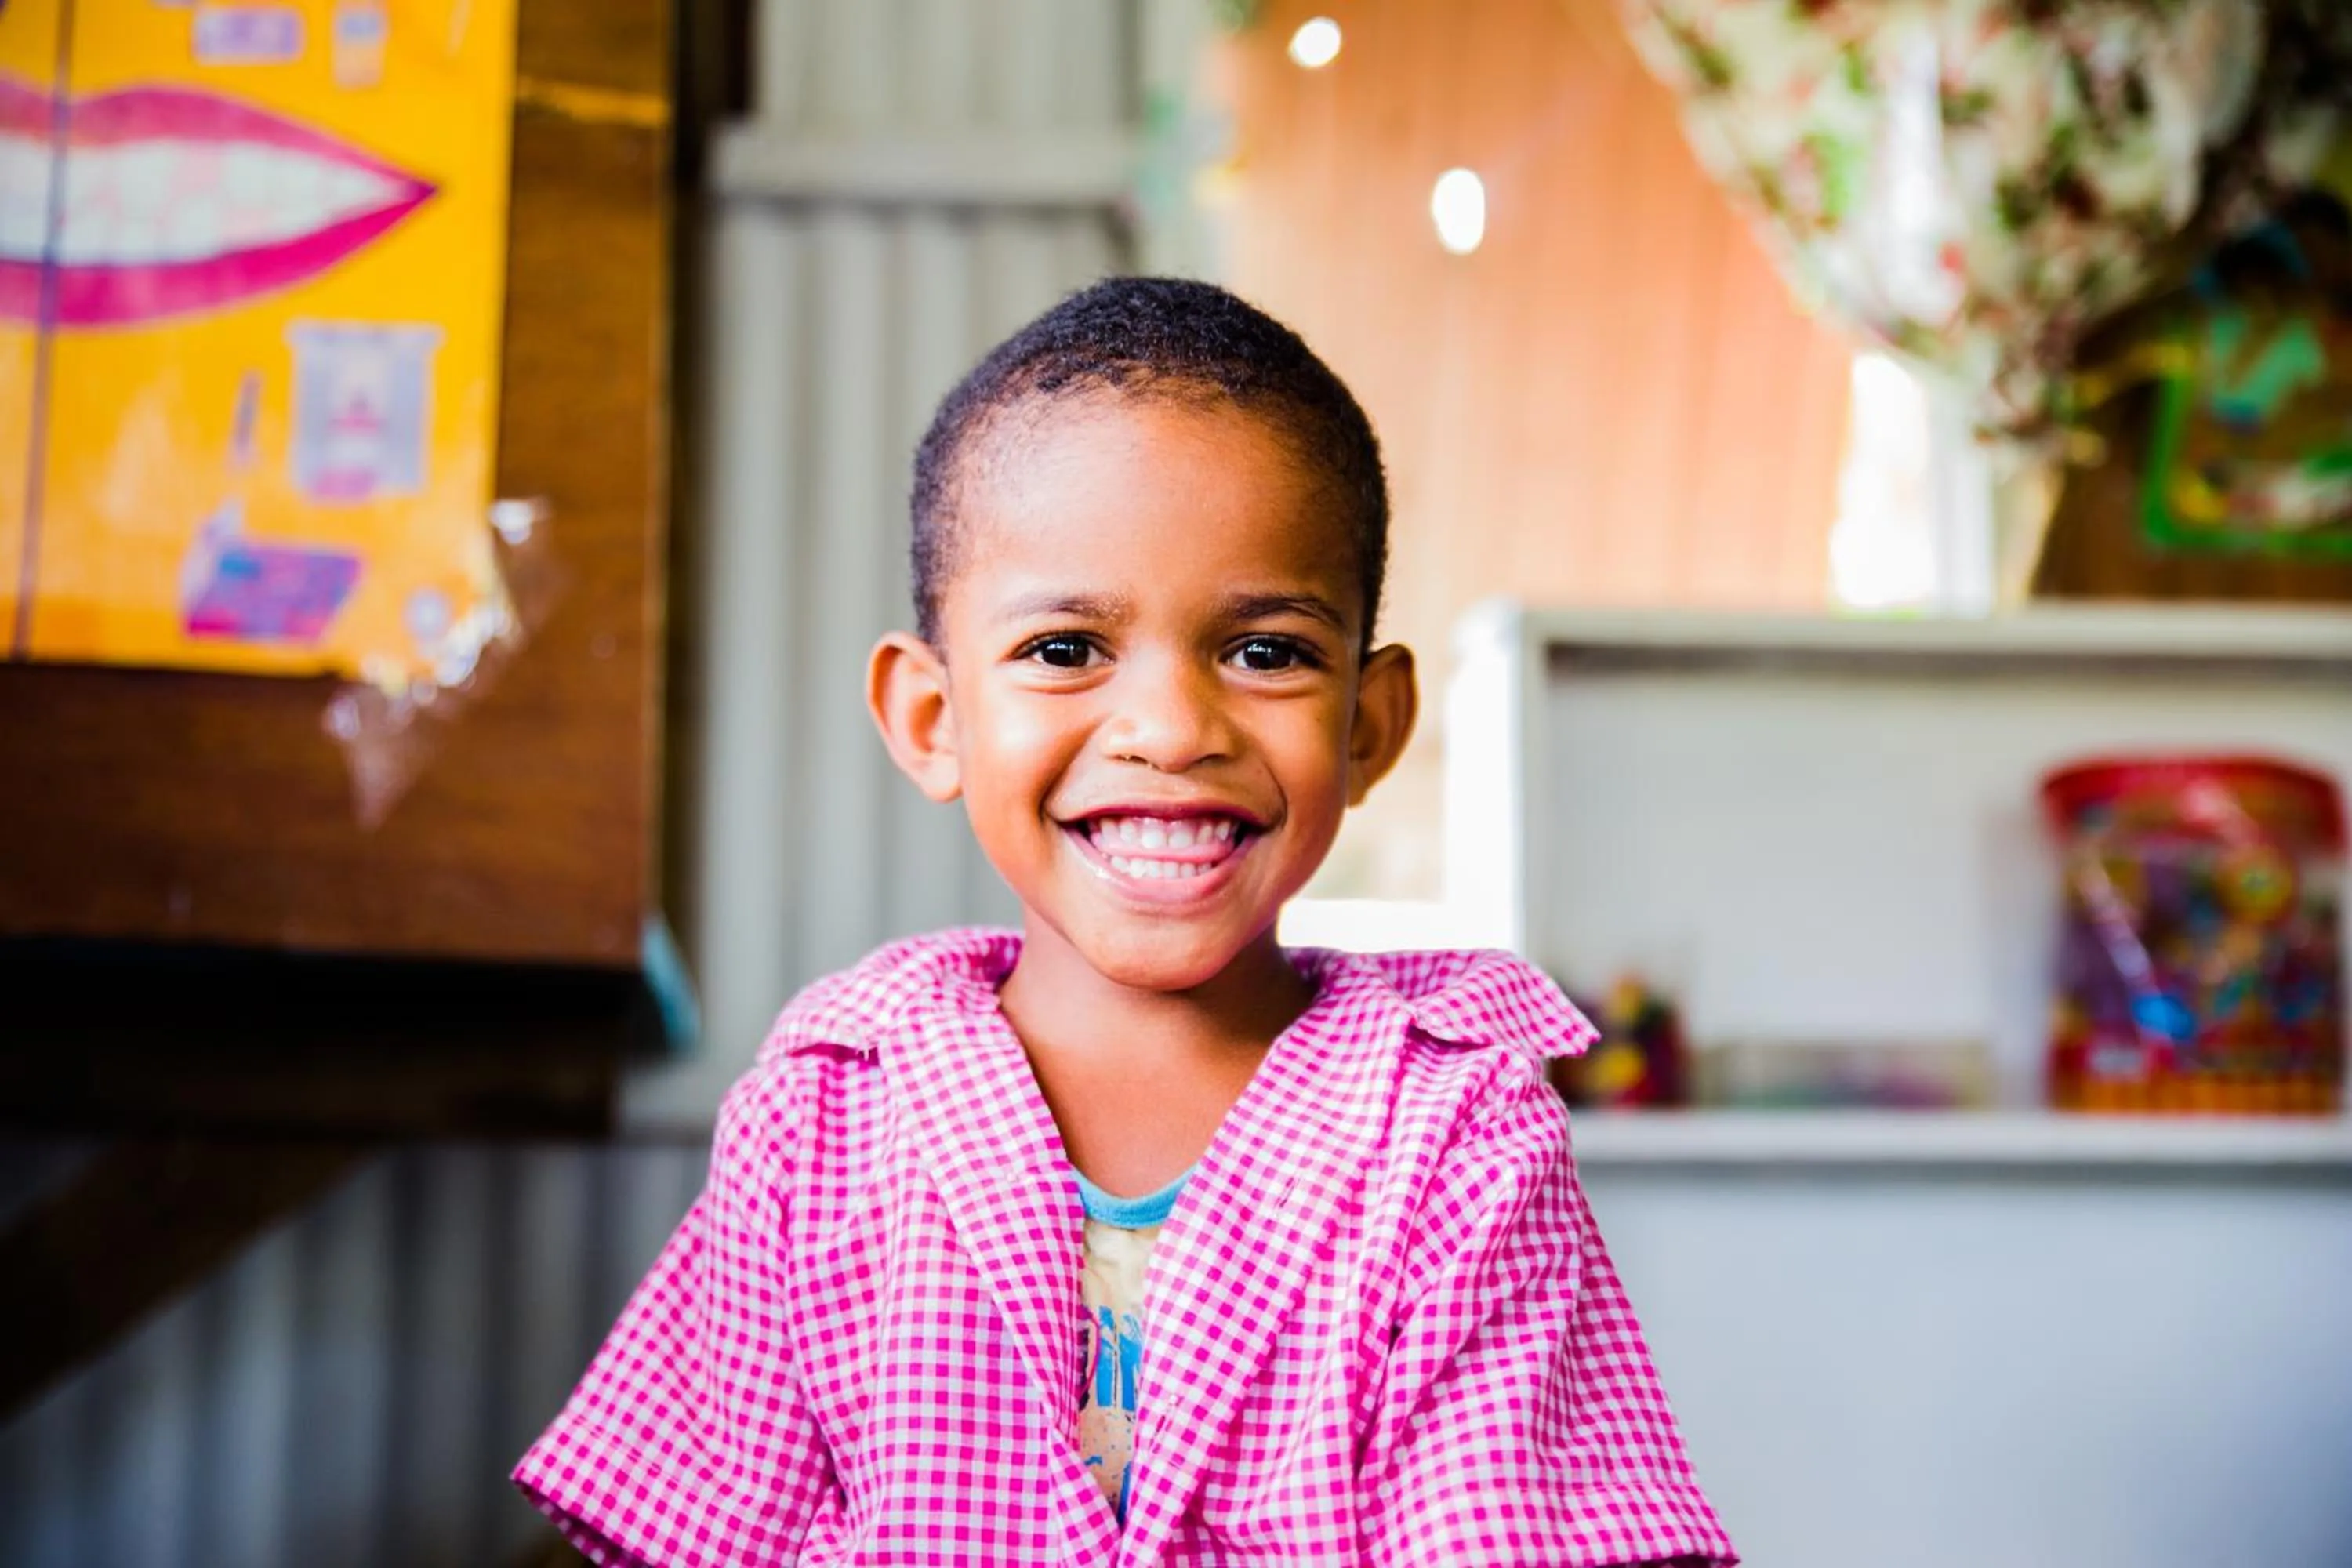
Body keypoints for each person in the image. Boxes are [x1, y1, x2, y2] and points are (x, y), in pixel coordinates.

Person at [514, 278, 1734, 1566]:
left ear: (1369, 728)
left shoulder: (1458, 1137)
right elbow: (717, 1533)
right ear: (933, 719)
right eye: (1065, 650)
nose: (1170, 730)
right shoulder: (821, 1123)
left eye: (1265, 652)